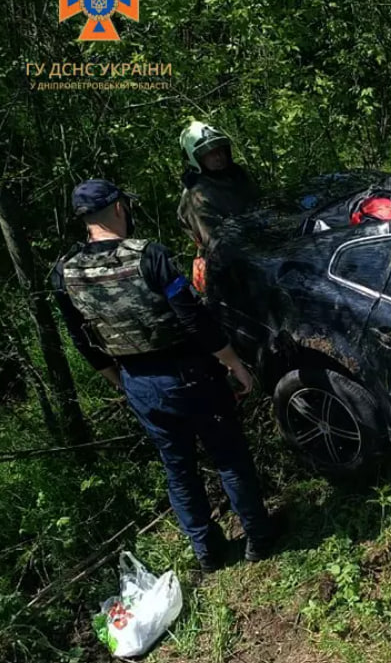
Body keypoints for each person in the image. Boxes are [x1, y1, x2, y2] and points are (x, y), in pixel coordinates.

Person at [51, 178, 273, 573]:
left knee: (178, 469)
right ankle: (258, 536)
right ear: (119, 208)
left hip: (138, 380)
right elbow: (192, 317)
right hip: (189, 373)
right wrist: (233, 362)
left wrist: (118, 380)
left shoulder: (64, 273)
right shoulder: (149, 256)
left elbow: (81, 339)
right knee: (227, 455)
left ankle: (207, 552)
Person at [177, 122, 260, 291]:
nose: (218, 157)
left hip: (258, 251)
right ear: (197, 158)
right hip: (227, 270)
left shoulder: (236, 177)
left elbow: (263, 206)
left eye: (220, 151)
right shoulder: (197, 196)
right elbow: (217, 243)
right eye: (210, 153)